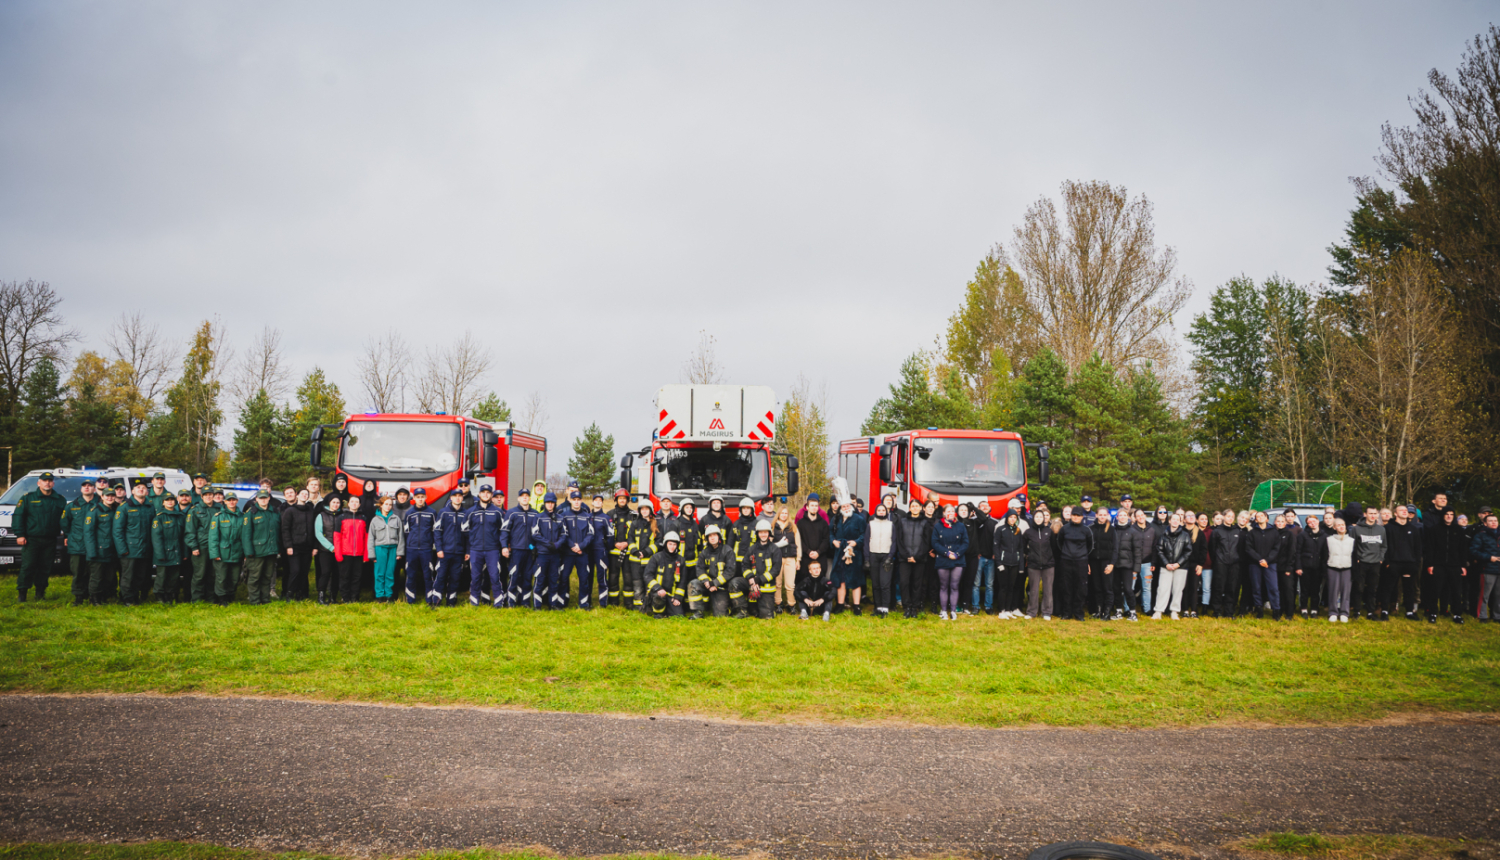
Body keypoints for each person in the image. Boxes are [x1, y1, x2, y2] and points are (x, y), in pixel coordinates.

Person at [12, 470, 67, 602]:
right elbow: (18, 517)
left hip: (50, 540)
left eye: (50, 481)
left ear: (53, 483)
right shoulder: (28, 498)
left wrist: (66, 534)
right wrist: (20, 534)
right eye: (44, 481)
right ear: (39, 483)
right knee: (28, 566)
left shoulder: (60, 500)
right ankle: (22, 593)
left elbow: (65, 520)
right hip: (32, 539)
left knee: (45, 567)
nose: (47, 483)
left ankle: (40, 593)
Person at [689, 524, 747, 618]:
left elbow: (730, 571)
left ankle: (730, 607)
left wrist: (715, 583)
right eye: (710, 536)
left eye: (714, 535)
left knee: (720, 615)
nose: (712, 538)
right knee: (693, 584)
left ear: (719, 536)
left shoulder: (728, 551)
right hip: (708, 584)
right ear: (707, 538)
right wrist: (706, 581)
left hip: (721, 587)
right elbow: (699, 568)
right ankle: (698, 612)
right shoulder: (704, 552)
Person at [112, 481, 155, 605]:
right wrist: (122, 549)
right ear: (132, 491)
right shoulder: (124, 507)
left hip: (145, 549)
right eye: (138, 488)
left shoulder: (150, 506)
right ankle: (127, 599)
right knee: (128, 576)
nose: (141, 489)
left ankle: (135, 597)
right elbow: (117, 530)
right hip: (129, 549)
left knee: (140, 576)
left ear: (147, 492)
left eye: (143, 488)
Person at [61, 478, 101, 606]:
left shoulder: (101, 504)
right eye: (85, 486)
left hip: (95, 545)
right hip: (77, 544)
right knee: (78, 572)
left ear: (94, 489)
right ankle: (78, 597)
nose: (87, 488)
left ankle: (94, 596)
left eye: (90, 486)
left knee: (94, 573)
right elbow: (65, 523)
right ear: (81, 489)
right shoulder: (72, 506)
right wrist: (69, 535)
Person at [1424, 509, 1468, 623]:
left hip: (1455, 565)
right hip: (1438, 565)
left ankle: (1457, 614)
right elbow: (1430, 548)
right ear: (1442, 516)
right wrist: (1430, 564)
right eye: (1447, 514)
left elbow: (1463, 549)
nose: (1449, 516)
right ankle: (1433, 613)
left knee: (1456, 591)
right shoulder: (1434, 529)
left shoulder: (1458, 530)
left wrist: (1463, 565)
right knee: (1435, 590)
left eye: (1451, 514)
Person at [465, 485, 506, 608]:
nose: (485, 495)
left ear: (491, 495)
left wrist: (502, 546)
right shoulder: (470, 512)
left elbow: (503, 530)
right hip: (475, 549)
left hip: (492, 549)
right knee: (475, 577)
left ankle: (498, 602)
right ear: (479, 494)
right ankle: (474, 602)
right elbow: (464, 530)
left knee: (494, 576)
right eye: (483, 492)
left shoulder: (498, 512)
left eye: (488, 493)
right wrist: (470, 546)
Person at [240, 490, 282, 606]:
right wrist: (248, 552)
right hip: (256, 552)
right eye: (261, 498)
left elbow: (278, 532)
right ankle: (254, 600)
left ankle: (265, 598)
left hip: (271, 550)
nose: (263, 500)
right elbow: (246, 535)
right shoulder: (251, 513)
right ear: (256, 499)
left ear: (269, 498)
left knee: (267, 576)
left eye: (265, 497)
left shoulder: (275, 512)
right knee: (255, 577)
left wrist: (278, 549)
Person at [927, 504, 967, 621]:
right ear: (944, 513)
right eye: (948, 511)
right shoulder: (938, 526)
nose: (950, 513)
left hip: (957, 560)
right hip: (943, 559)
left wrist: (957, 554)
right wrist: (947, 553)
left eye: (952, 511)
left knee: (954, 586)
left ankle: (953, 611)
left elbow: (965, 542)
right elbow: (935, 543)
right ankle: (944, 611)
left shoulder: (960, 526)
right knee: (943, 586)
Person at [892, 499, 930, 619]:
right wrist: (907, 556)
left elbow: (926, 542)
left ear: (921, 508)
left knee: (917, 584)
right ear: (909, 508)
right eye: (912, 506)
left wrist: (917, 556)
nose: (915, 508)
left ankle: (914, 608)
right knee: (904, 583)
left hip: (920, 559)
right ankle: (906, 607)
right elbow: (899, 540)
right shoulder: (902, 521)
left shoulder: (925, 522)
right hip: (905, 559)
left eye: (917, 506)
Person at [556, 491, 595, 609]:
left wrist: (581, 546)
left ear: (581, 501)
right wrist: (573, 546)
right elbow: (562, 533)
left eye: (578, 499)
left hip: (582, 553)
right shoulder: (564, 516)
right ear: (570, 500)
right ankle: (561, 603)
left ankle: (583, 604)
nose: (576, 502)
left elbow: (590, 534)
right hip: (567, 553)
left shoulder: (588, 516)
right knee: (563, 578)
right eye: (574, 499)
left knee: (584, 579)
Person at [529, 492, 568, 610]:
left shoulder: (560, 518)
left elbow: (564, 534)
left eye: (552, 502)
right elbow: (535, 534)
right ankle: (537, 605)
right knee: (539, 579)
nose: (550, 505)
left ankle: (553, 604)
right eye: (548, 502)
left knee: (554, 580)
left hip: (555, 554)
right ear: (545, 503)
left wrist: (556, 545)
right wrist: (548, 544)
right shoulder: (538, 517)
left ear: (555, 504)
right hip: (542, 554)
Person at [81, 485, 119, 605]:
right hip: (98, 551)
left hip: (111, 550)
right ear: (102, 497)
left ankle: (104, 597)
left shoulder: (116, 510)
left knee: (109, 576)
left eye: (112, 496)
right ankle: (94, 599)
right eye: (107, 496)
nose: (110, 498)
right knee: (96, 577)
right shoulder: (94, 511)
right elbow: (88, 533)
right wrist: (92, 552)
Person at [182, 486, 221, 603]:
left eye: (210, 494)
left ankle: (211, 598)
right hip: (201, 547)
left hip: (216, 546)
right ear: (201, 496)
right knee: (199, 574)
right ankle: (197, 599)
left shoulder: (220, 508)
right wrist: (194, 547)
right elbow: (190, 531)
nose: (208, 497)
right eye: (206, 495)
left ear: (213, 495)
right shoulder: (195, 510)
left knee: (213, 574)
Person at [432, 490, 469, 608]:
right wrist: (439, 549)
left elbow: (468, 535)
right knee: (440, 576)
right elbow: (437, 531)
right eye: (455, 496)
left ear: (462, 498)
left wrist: (467, 551)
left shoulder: (466, 514)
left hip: (459, 552)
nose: (457, 498)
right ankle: (436, 601)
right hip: (445, 552)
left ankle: (451, 602)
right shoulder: (443, 512)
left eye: (460, 496)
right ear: (451, 498)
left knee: (455, 577)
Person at [1056, 507, 1094, 622]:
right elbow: (1059, 543)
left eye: (1078, 515)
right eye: (1074, 515)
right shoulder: (1064, 529)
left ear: (1082, 517)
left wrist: (1082, 555)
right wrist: (1066, 553)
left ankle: (1078, 612)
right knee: (1066, 587)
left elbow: (1090, 546)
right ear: (1071, 516)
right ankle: (1067, 612)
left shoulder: (1086, 530)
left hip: (1081, 561)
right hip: (1066, 561)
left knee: (1081, 588)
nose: (1076, 517)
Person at [1384, 504, 1422, 620]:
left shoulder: (1413, 529)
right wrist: (1387, 562)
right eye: (1401, 510)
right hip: (1393, 563)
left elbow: (1418, 548)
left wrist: (1415, 563)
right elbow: (1384, 546)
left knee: (1409, 589)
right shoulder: (1388, 528)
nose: (1405, 512)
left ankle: (1409, 612)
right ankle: (1385, 611)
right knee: (1389, 588)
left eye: (1405, 510)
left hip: (1409, 564)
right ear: (1395, 513)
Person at [207, 492, 245, 605]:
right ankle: (221, 598)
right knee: (221, 577)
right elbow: (213, 537)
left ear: (237, 500)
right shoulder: (218, 517)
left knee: (234, 577)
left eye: (233, 500)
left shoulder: (243, 516)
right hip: (222, 552)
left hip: (237, 551)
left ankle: (230, 596)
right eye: (229, 500)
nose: (231, 502)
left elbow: (245, 537)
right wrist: (214, 554)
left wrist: (245, 553)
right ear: (225, 501)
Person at [279, 489, 317, 601]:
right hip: (294, 547)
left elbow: (314, 530)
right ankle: (289, 593)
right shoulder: (290, 511)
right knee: (295, 571)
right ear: (297, 495)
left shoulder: (310, 511)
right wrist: (288, 546)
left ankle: (301, 594)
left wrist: (315, 546)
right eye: (302, 494)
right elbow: (285, 529)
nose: (304, 495)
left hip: (307, 547)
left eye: (306, 494)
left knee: (304, 572)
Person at [1152, 513, 1192, 619]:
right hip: (1166, 566)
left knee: (1177, 590)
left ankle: (1174, 611)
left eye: (1177, 519)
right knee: (1162, 589)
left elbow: (1188, 551)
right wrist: (1166, 563)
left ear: (1180, 522)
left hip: (1181, 567)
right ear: (1169, 521)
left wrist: (1178, 564)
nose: (1175, 521)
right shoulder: (1163, 535)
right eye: (1173, 519)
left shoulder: (1185, 535)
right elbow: (1159, 550)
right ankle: (1158, 611)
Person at [1351, 507, 1387, 621]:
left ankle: (1371, 612)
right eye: (1370, 513)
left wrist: (1381, 558)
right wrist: (1357, 558)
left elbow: (1384, 546)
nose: (1373, 516)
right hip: (1361, 563)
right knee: (1359, 588)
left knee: (1372, 589)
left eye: (1375, 513)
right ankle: (1356, 611)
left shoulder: (1381, 529)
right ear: (1365, 514)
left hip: (1375, 563)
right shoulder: (1356, 529)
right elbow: (1352, 545)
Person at [367, 494, 405, 604]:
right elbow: (371, 538)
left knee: (390, 573)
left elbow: (401, 537)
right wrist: (372, 554)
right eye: (386, 504)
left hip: (393, 549)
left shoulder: (396, 519)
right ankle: (379, 596)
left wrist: (400, 552)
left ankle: (389, 596)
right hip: (380, 549)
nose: (388, 506)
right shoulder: (375, 520)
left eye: (390, 505)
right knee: (379, 573)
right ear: (381, 505)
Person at [830, 500, 866, 615]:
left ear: (851, 506)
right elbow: (830, 533)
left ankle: (856, 606)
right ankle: (840, 605)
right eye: (843, 506)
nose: (846, 508)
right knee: (841, 580)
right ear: (840, 508)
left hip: (854, 553)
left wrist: (856, 542)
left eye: (847, 506)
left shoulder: (859, 519)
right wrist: (833, 541)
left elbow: (864, 535)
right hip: (840, 553)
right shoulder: (835, 519)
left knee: (856, 580)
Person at [150, 494, 187, 604]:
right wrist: (160, 554)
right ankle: (159, 595)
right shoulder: (159, 518)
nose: (170, 502)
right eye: (167, 500)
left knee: (174, 576)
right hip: (164, 552)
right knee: (162, 576)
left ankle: (171, 595)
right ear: (163, 503)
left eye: (172, 500)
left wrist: (185, 553)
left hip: (177, 551)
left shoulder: (181, 516)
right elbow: (156, 538)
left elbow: (184, 536)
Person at [332, 494, 370, 604]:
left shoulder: (363, 518)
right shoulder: (341, 517)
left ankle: (354, 597)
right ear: (348, 504)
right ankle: (345, 597)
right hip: (345, 553)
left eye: (356, 502)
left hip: (359, 553)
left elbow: (366, 537)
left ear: (359, 504)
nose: (354, 503)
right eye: (352, 501)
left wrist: (366, 554)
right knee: (345, 577)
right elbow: (337, 537)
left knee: (357, 577)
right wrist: (338, 554)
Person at [623, 499, 658, 612]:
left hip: (649, 561)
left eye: (647, 509)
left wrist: (647, 552)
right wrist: (635, 551)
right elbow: (630, 539)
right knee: (637, 584)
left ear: (650, 510)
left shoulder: (655, 524)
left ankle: (649, 606)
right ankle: (638, 606)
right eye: (642, 509)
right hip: (635, 561)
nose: (644, 511)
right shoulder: (635, 524)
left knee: (648, 584)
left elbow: (658, 542)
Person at [742, 519, 781, 619]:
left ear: (769, 533)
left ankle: (766, 609)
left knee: (766, 616)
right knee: (735, 583)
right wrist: (751, 579)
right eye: (761, 532)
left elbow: (775, 570)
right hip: (751, 584)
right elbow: (745, 565)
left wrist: (759, 580)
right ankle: (741, 610)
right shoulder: (752, 549)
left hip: (766, 587)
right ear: (757, 534)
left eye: (765, 532)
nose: (763, 535)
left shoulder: (775, 549)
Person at [991, 510, 1026, 619]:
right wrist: (999, 563)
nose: (1012, 519)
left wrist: (1021, 566)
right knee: (1003, 587)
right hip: (1003, 563)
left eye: (1014, 517)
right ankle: (1001, 610)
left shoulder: (1018, 531)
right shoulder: (1001, 529)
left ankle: (1008, 609)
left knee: (1011, 587)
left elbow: (1020, 549)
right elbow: (996, 547)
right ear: (1007, 518)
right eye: (1011, 517)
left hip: (1014, 563)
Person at [1023, 511, 1058, 620]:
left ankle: (1046, 612)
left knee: (1048, 589)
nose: (1038, 518)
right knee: (1033, 590)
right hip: (1033, 565)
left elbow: (1054, 547)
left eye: (1040, 517)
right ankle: (1031, 612)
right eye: (1036, 517)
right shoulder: (1028, 532)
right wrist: (1030, 555)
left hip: (1048, 565)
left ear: (1044, 518)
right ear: (1033, 518)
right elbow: (1023, 547)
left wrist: (1050, 558)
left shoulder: (1049, 531)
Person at [795, 494, 832, 594]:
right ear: (807, 507)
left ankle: (820, 600)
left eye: (816, 506)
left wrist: (818, 552)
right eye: (812, 505)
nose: (814, 508)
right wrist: (808, 551)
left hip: (820, 556)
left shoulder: (823, 523)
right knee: (803, 579)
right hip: (805, 556)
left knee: (821, 580)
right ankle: (804, 600)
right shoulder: (801, 523)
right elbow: (799, 540)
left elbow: (826, 539)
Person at [644, 530, 685, 618]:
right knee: (659, 599)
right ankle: (658, 613)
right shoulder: (656, 557)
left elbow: (683, 581)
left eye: (674, 544)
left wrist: (678, 597)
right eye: (670, 544)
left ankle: (667, 610)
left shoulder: (680, 560)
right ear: (665, 544)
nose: (672, 547)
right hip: (657, 593)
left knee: (679, 615)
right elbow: (647, 575)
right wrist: (658, 588)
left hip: (671, 595)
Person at [865, 503, 894, 618]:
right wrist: (867, 559)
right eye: (879, 510)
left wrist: (890, 557)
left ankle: (885, 608)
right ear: (876, 512)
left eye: (883, 510)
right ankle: (877, 607)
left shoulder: (891, 525)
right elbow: (866, 542)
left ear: (886, 512)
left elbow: (894, 542)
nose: (881, 512)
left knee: (885, 584)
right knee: (876, 584)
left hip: (886, 556)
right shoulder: (870, 524)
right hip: (873, 555)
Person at [1296, 515, 1328, 619]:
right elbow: (1298, 552)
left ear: (1318, 521)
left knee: (1316, 590)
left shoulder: (1324, 536)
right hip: (1305, 566)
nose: (1312, 524)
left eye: (1314, 521)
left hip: (1318, 568)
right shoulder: (1302, 535)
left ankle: (1314, 610)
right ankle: (1304, 609)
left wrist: (1324, 569)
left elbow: (1325, 554)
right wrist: (1298, 567)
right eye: (1309, 523)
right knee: (1304, 590)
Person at [314, 495, 345, 604]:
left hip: (340, 550)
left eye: (338, 502)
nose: (336, 504)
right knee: (326, 572)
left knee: (337, 573)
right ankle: (321, 596)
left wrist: (339, 547)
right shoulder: (321, 515)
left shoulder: (342, 515)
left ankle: (333, 597)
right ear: (329, 503)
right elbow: (318, 533)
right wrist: (331, 547)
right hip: (325, 549)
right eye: (333, 502)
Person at [1088, 508, 1117, 620]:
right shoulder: (1091, 529)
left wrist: (1112, 564)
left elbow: (1115, 548)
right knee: (1097, 587)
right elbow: (1087, 547)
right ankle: (1098, 611)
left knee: (1107, 588)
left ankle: (1107, 612)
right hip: (1094, 562)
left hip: (1106, 562)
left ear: (1107, 515)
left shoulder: (1111, 529)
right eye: (1100, 514)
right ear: (1096, 515)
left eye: (1104, 515)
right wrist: (1088, 563)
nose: (1102, 517)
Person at [1325, 518, 1355, 623]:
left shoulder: (1351, 540)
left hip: (1347, 568)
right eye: (1338, 525)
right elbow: (1325, 555)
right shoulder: (1329, 540)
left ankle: (1344, 613)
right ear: (1334, 527)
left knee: (1346, 592)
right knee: (1333, 591)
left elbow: (1354, 556)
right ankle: (1333, 612)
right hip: (1332, 567)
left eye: (1343, 524)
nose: (1341, 526)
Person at [772, 506, 800, 613]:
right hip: (777, 559)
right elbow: (769, 545)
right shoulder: (773, 526)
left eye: (786, 513)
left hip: (790, 559)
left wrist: (798, 559)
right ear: (778, 514)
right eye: (782, 513)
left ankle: (791, 604)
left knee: (790, 584)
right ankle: (778, 604)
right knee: (777, 583)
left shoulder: (793, 527)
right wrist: (778, 544)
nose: (784, 515)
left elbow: (798, 544)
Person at [1473, 512, 1500, 622]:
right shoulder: (1480, 535)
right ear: (1485, 523)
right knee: (1484, 595)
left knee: (1498, 595)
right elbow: (1474, 551)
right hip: (1488, 568)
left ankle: (1497, 616)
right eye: (1490, 521)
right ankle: (1482, 616)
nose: (1493, 523)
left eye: (1495, 520)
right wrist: (1489, 558)